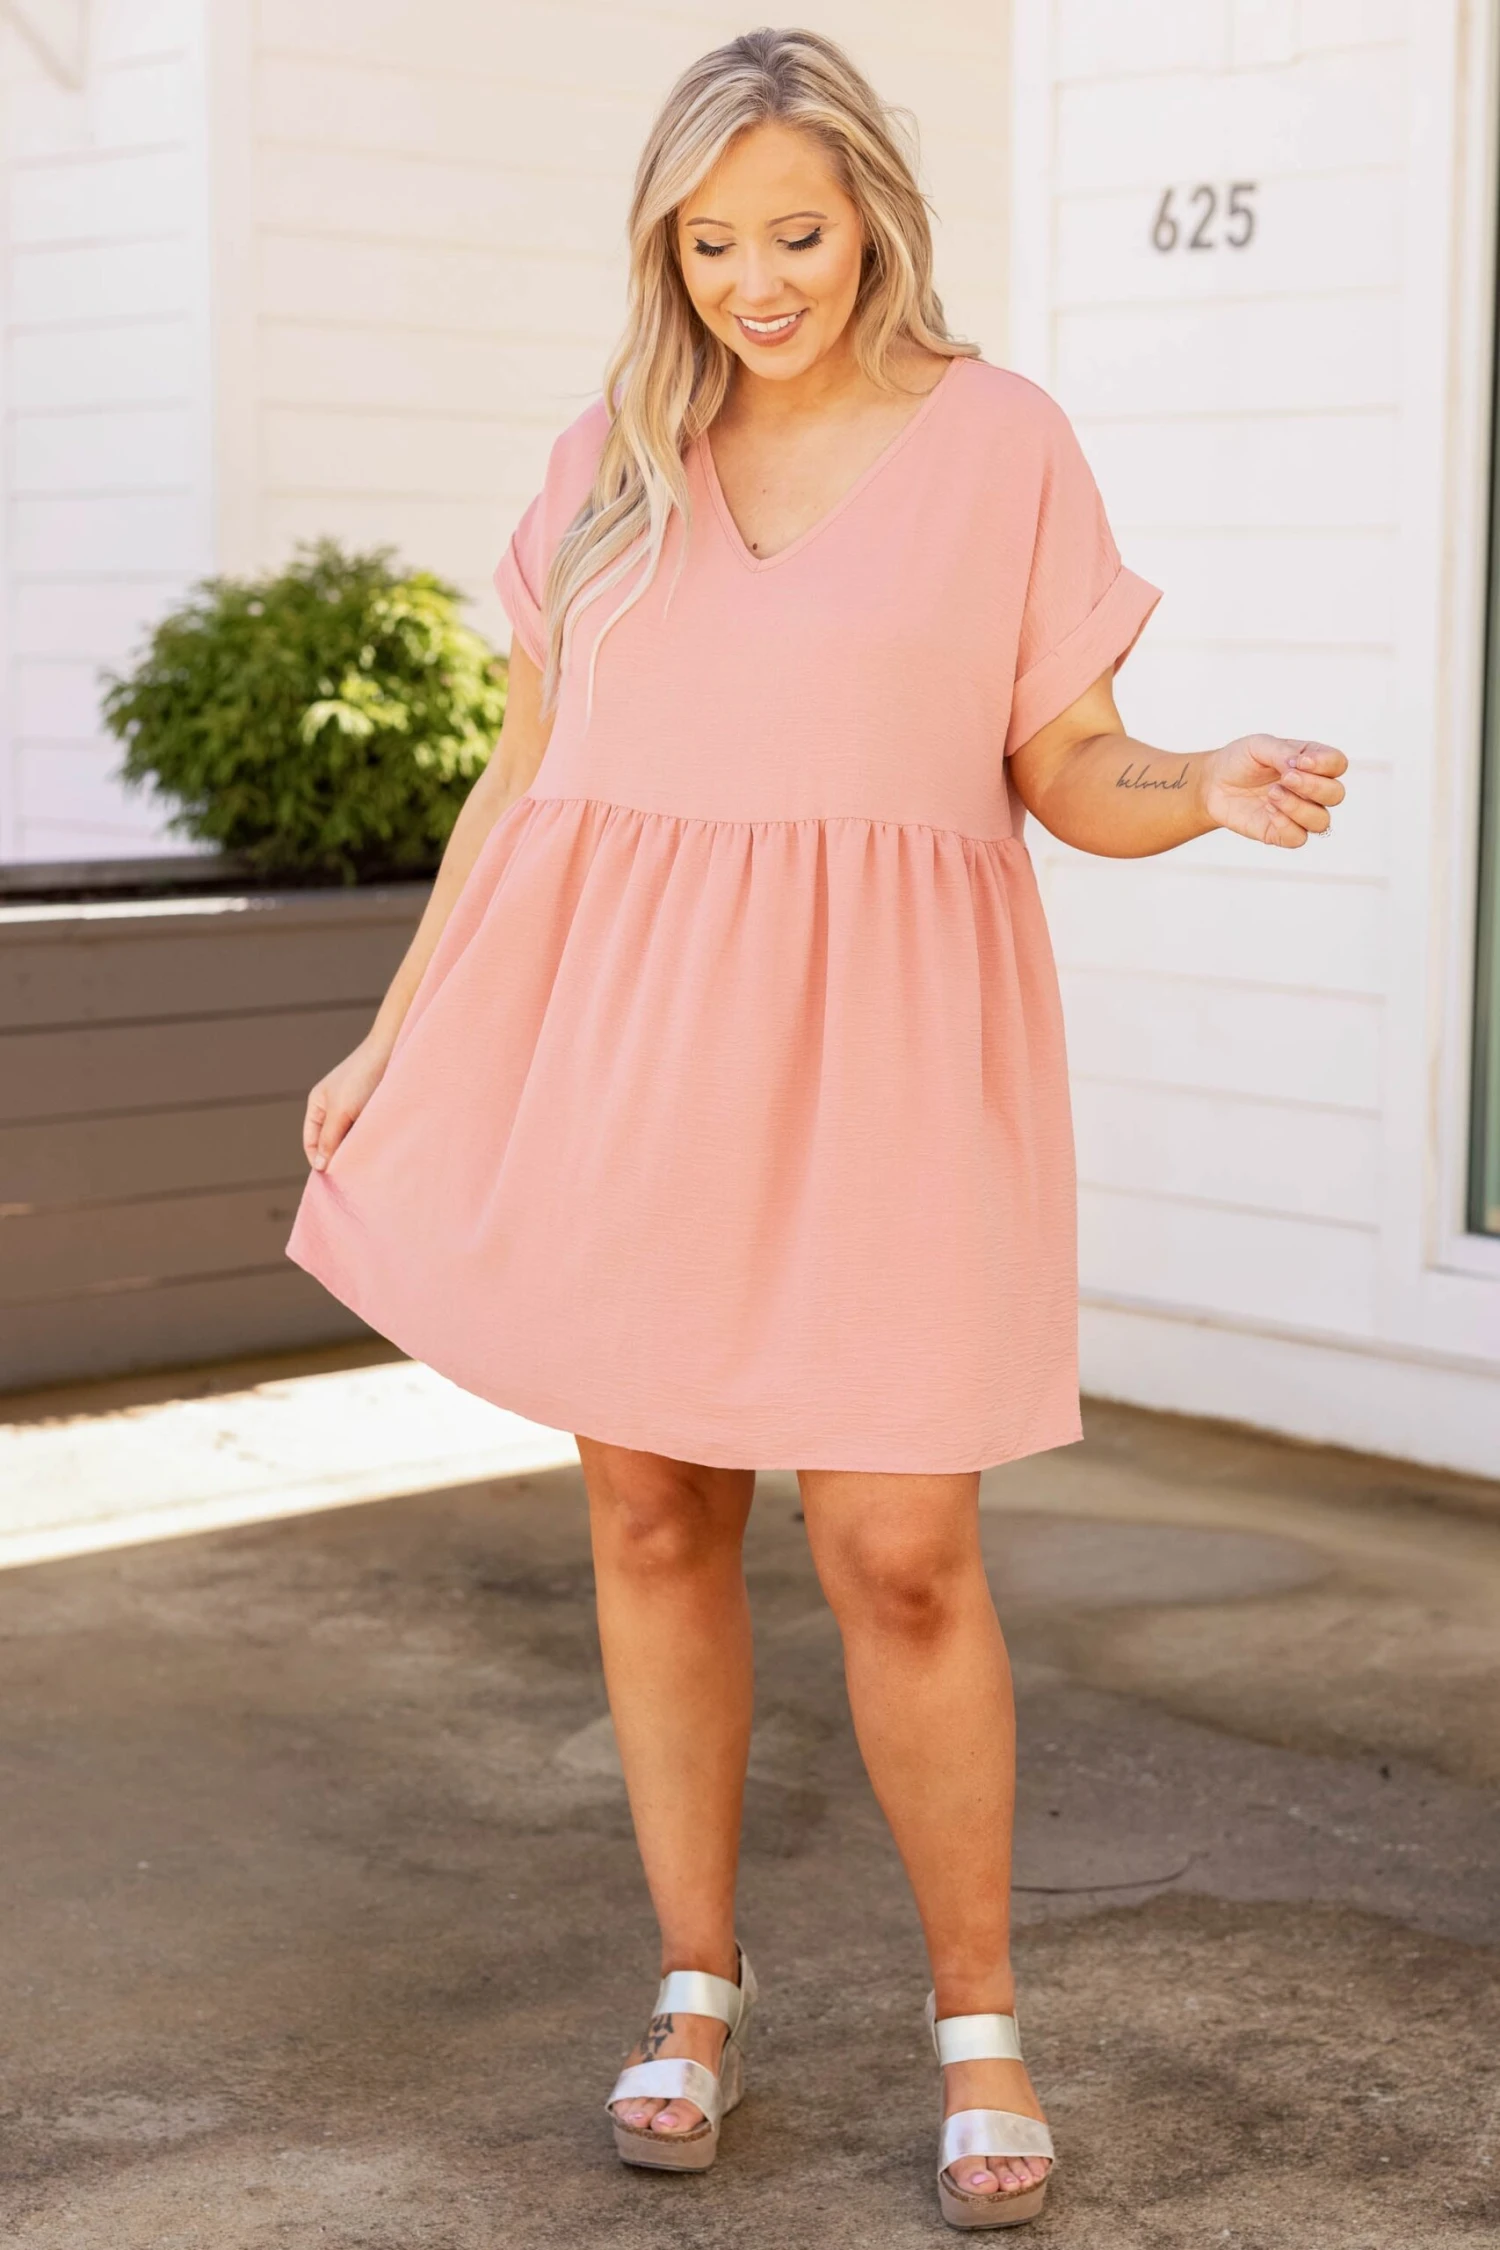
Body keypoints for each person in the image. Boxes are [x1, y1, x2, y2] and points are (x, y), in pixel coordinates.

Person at [287, 27, 1346, 2230]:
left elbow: (1068, 763)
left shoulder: (1001, 441)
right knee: (655, 1519)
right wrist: (396, 1036)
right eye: (711, 243)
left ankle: (981, 2022)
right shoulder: (612, 454)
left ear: (873, 216)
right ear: (662, 250)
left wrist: (1202, 786)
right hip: (626, 1052)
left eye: (795, 231)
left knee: (901, 1550)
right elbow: (522, 779)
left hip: (889, 1070)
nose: (757, 281)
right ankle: (695, 1987)